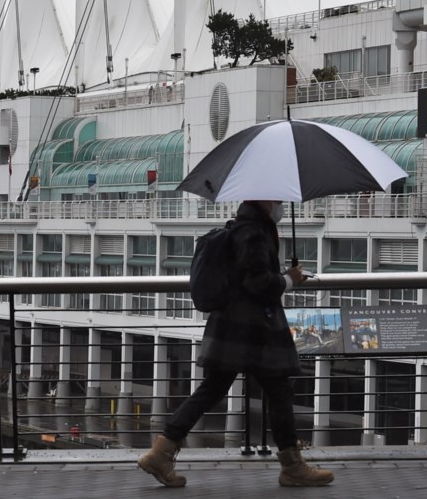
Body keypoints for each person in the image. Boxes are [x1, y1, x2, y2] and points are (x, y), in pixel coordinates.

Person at [138, 200, 334, 488]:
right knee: (278, 392)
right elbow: (258, 283)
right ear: (265, 201)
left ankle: (161, 451)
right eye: (278, 201)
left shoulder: (244, 228)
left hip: (233, 327)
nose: (280, 206)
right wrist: (288, 280)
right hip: (253, 328)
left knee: (213, 389)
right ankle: (292, 466)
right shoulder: (252, 233)